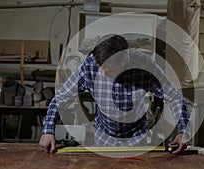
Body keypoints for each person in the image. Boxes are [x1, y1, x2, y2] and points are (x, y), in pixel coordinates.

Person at [39, 34, 190, 154]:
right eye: (100, 69)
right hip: (103, 137)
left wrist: (183, 130)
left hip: (136, 138)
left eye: (109, 70)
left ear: (125, 60)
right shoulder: (90, 66)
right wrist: (48, 130)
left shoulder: (146, 67)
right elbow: (62, 97)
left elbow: (175, 98)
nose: (103, 75)